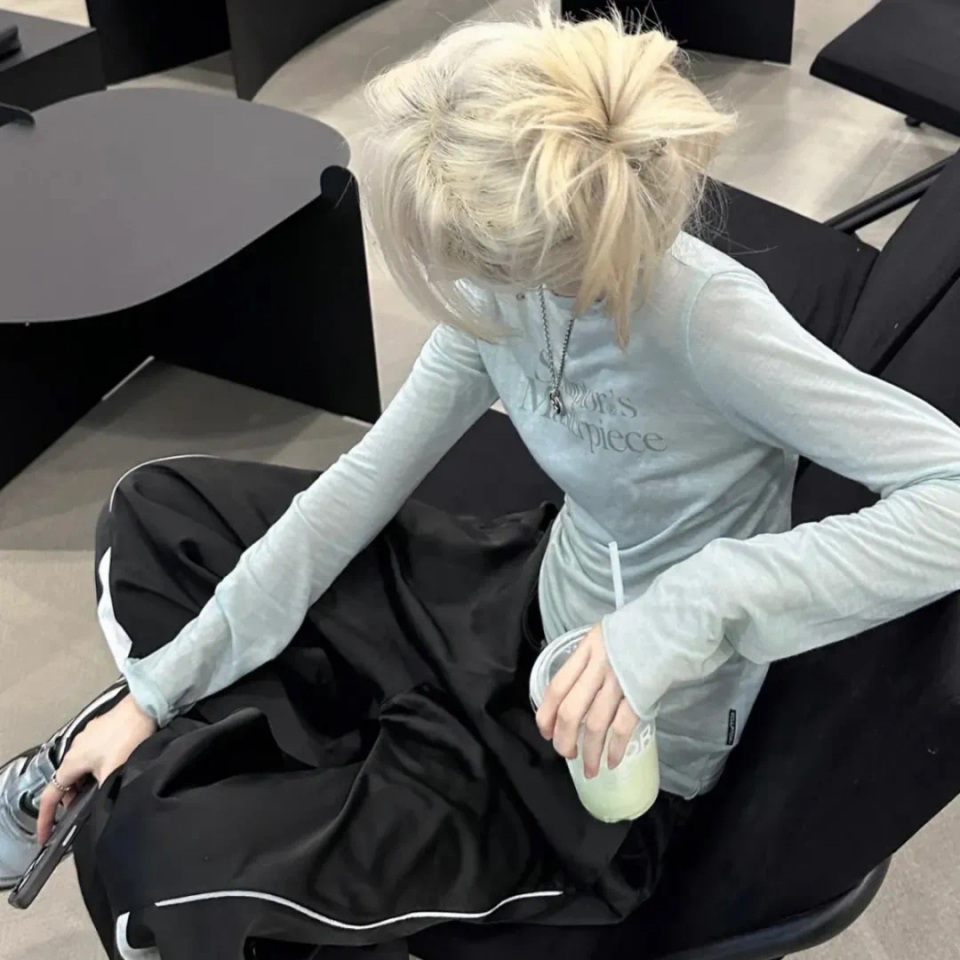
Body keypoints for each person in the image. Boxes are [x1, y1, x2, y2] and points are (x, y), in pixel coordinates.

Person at [3, 4, 960, 953]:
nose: (456, 282)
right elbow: (362, 483)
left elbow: (950, 496)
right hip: (513, 603)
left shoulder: (709, 320)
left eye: (472, 258)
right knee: (162, 512)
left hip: (604, 745)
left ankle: (231, 777)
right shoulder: (505, 291)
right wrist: (151, 696)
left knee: (154, 866)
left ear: (535, 243)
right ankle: (176, 746)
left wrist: (697, 604)